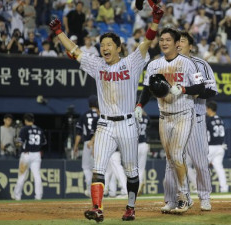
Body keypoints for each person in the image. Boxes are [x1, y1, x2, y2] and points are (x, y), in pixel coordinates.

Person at [48, 2, 163, 222]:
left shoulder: (132, 62)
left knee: (131, 170)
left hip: (128, 123)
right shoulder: (98, 65)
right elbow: (75, 51)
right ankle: (97, 208)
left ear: (119, 47)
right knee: (97, 166)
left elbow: (148, 39)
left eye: (109, 44)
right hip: (105, 124)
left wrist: (156, 20)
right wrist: (59, 32)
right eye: (102, 45)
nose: (105, 48)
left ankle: (130, 207)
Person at [136, 27, 205, 214]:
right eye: (162, 40)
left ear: (177, 44)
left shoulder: (188, 63)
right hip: (164, 116)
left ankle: (185, 197)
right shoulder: (153, 65)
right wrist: (139, 106)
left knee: (176, 155)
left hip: (184, 113)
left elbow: (200, 86)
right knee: (170, 159)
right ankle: (173, 200)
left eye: (168, 40)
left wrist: (183, 89)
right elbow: (146, 88)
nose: (164, 43)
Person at [165, 30, 216, 211]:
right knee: (173, 161)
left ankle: (204, 197)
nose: (178, 44)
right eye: (176, 41)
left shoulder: (201, 64)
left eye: (183, 41)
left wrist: (190, 90)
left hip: (196, 118)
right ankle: (174, 199)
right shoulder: (167, 64)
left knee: (200, 161)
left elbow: (211, 90)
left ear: (191, 46)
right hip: (175, 118)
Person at [12, 113, 46, 200]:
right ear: (33, 120)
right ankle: (38, 196)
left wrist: (17, 143)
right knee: (37, 176)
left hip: (26, 155)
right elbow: (44, 142)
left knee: (22, 176)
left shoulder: (24, 129)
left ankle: (17, 196)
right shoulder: (39, 129)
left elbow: (20, 143)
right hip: (37, 155)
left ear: (25, 121)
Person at [72, 95, 100, 197]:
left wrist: (75, 146)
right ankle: (99, 190)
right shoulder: (100, 114)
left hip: (88, 143)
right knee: (97, 168)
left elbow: (79, 133)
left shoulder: (84, 115)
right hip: (99, 143)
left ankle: (89, 189)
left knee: (86, 167)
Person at [206, 101, 228, 193]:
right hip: (221, 147)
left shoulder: (208, 120)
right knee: (219, 168)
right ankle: (224, 188)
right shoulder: (220, 119)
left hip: (211, 147)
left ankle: (203, 188)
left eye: (206, 108)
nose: (206, 110)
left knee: (202, 167)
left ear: (210, 109)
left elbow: (205, 135)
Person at [137, 111, 150, 196]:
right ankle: (140, 183)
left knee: (133, 168)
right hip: (144, 144)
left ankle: (136, 186)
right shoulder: (146, 118)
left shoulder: (133, 117)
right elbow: (149, 121)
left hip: (136, 145)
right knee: (141, 168)